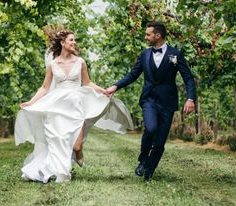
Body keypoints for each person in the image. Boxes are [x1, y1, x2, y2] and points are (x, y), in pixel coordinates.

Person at [15, 29, 133, 183]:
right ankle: (60, 172)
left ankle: (78, 153)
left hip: (76, 106)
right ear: (62, 43)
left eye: (74, 40)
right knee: (58, 140)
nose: (74, 43)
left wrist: (103, 91)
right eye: (71, 40)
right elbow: (45, 88)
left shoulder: (80, 62)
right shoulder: (52, 64)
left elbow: (87, 82)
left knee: (76, 145)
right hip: (57, 108)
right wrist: (31, 102)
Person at [105, 21, 196, 182]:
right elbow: (133, 74)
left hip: (167, 102)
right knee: (151, 128)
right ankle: (142, 160)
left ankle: (149, 169)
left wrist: (190, 98)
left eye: (148, 34)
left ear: (158, 35)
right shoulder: (145, 54)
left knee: (160, 142)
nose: (145, 37)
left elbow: (188, 77)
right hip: (149, 100)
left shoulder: (175, 54)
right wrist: (115, 86)